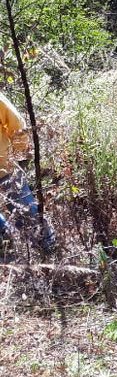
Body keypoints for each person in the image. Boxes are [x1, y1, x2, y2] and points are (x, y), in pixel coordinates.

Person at [0, 92, 55, 262]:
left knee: (27, 213)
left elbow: (16, 123)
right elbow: (16, 122)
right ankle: (11, 257)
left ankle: (50, 253)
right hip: (5, 165)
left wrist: (19, 153)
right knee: (25, 213)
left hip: (4, 167)